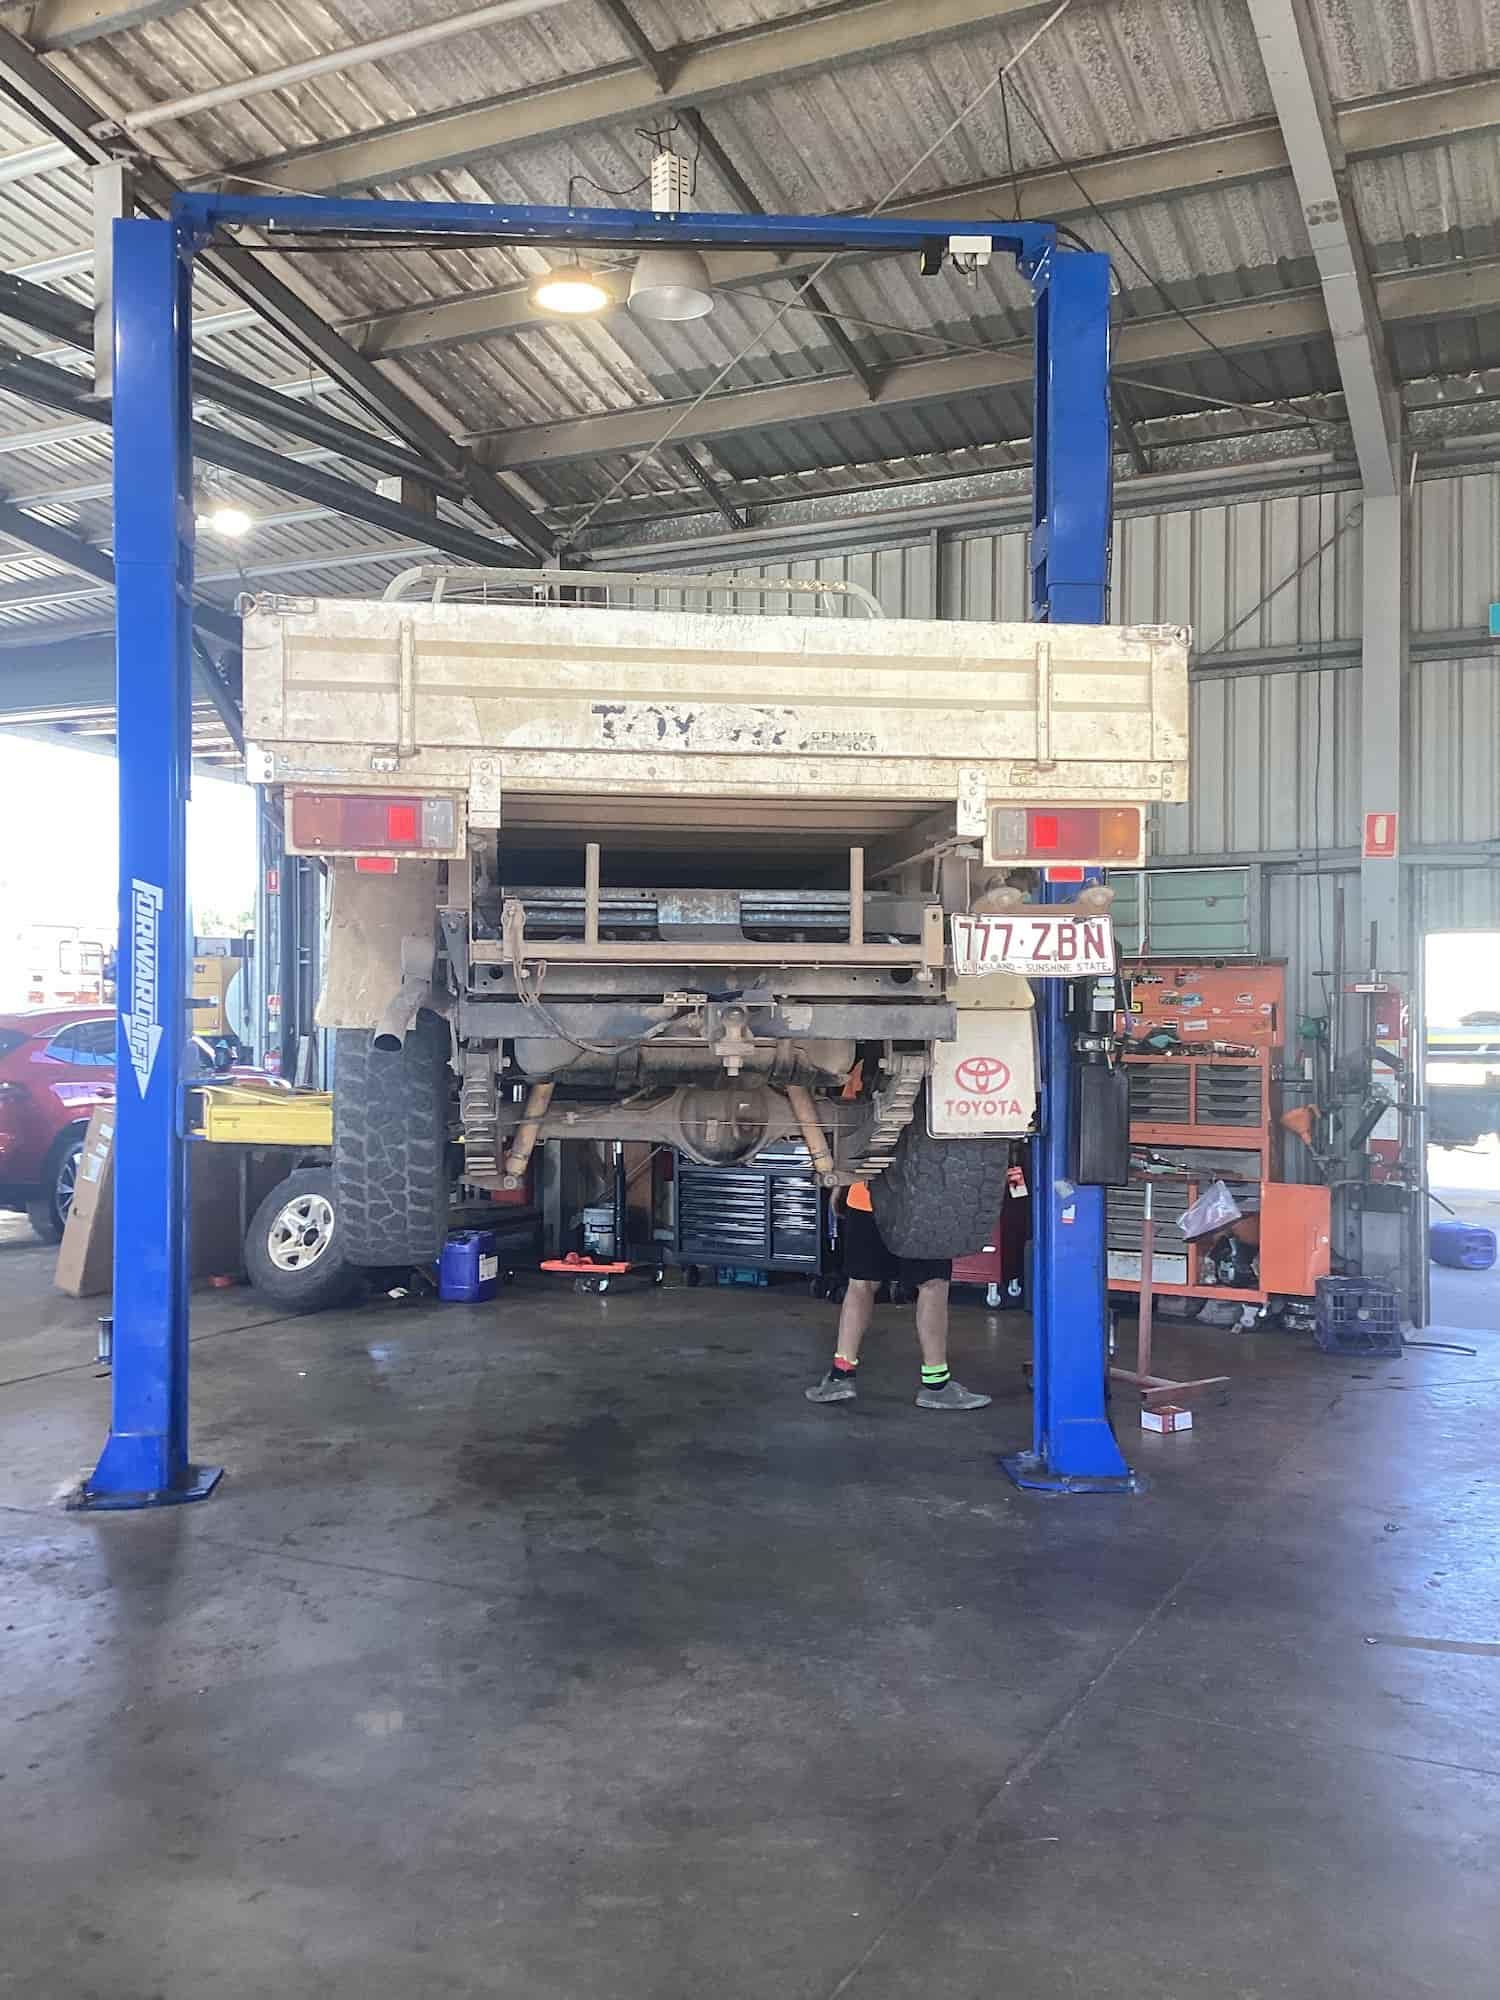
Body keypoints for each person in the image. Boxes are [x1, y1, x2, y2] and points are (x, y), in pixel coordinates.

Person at [806, 1181, 991, 1410]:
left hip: (868, 1199)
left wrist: (840, 1185)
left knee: (860, 1284)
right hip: (923, 1202)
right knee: (932, 1284)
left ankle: (840, 1375)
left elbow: (848, 1150)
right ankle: (936, 1385)